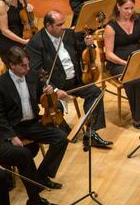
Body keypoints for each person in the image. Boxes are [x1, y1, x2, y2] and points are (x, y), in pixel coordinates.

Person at [25, 10, 113, 149]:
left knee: (96, 92)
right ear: (49, 25)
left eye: (63, 23)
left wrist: (87, 44)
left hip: (75, 80)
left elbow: (79, 50)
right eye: (59, 25)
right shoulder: (37, 43)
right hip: (54, 85)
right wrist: (54, 89)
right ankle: (64, 131)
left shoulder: (68, 34)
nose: (63, 27)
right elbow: (35, 73)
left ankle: (91, 133)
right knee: (56, 106)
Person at [0, 46, 68, 190]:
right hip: (13, 127)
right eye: (23, 65)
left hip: (32, 124)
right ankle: (32, 185)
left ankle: (42, 176)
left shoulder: (32, 76)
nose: (27, 68)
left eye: (28, 64)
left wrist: (49, 92)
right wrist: (12, 136)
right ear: (11, 65)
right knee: (23, 153)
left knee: (61, 138)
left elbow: (40, 97)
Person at [103, 0, 140, 129]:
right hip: (117, 63)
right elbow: (108, 54)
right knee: (136, 78)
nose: (129, 11)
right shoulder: (111, 27)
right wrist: (126, 63)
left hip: (137, 59)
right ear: (118, 7)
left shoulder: (139, 18)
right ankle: (137, 116)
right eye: (126, 8)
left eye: (132, 8)